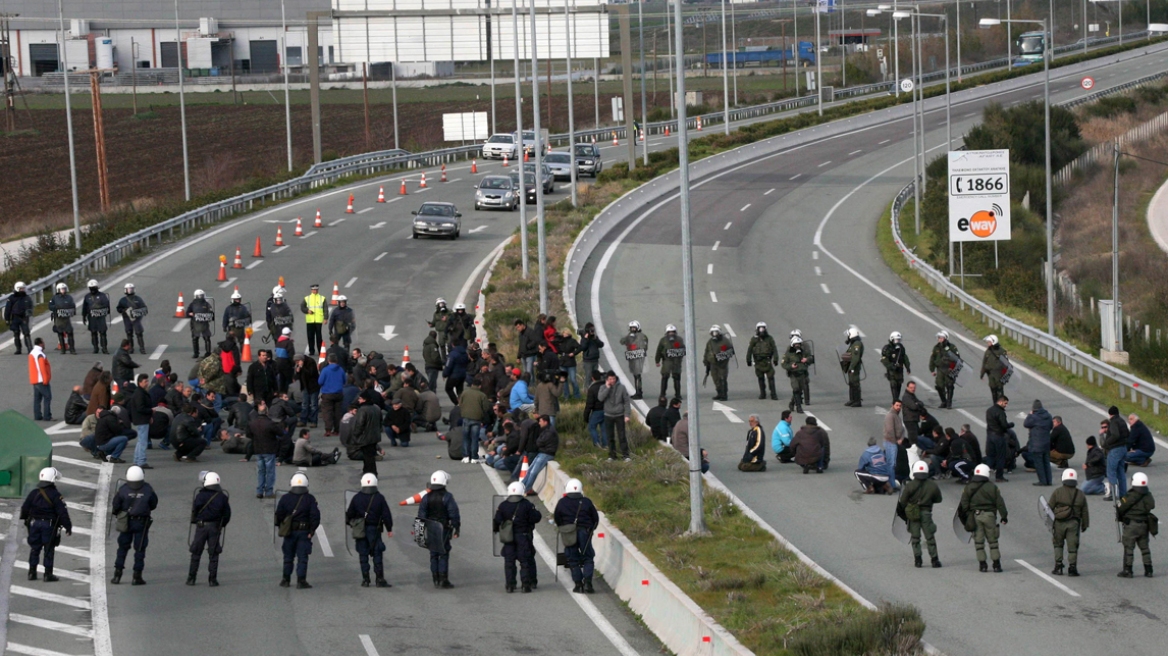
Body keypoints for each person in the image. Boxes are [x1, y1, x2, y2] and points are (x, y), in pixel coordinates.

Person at [20, 467, 73, 582]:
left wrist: (25, 520)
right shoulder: (55, 495)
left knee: (35, 548)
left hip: (34, 524)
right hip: (49, 526)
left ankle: (32, 572)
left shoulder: (34, 493)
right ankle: (47, 574)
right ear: (53, 479)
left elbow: (25, 508)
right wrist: (68, 527)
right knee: (49, 549)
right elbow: (62, 512)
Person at [111, 465, 158, 585]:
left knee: (122, 547)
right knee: (140, 549)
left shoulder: (123, 489)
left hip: (126, 522)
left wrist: (119, 513)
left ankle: (117, 575)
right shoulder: (148, 489)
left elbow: (116, 505)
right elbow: (153, 504)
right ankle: (137, 576)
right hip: (142, 522)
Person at [493, 481, 542, 593]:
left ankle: (510, 585)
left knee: (509, 561)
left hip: (508, 538)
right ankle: (526, 584)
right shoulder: (527, 505)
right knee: (524, 561)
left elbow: (497, 521)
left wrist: (498, 529)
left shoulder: (503, 505)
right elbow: (536, 518)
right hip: (523, 536)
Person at [958, 464, 1008, 573]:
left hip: (975, 516)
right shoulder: (992, 487)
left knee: (979, 542)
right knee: (993, 541)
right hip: (990, 516)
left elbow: (964, 503)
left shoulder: (969, 487)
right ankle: (996, 565)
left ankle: (982, 565)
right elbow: (1000, 503)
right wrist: (1004, 516)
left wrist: (967, 516)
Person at [347, 473, 393, 588]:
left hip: (360, 530)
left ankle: (365, 579)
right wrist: (389, 528)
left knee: (363, 554)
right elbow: (386, 514)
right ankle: (379, 579)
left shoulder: (356, 498)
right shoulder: (379, 498)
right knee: (377, 553)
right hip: (375, 529)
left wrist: (353, 524)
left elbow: (349, 515)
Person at [555, 478, 600, 594]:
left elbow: (557, 518)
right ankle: (588, 582)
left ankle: (578, 584)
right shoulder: (586, 502)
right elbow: (595, 519)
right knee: (588, 557)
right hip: (585, 532)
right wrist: (591, 530)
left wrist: (564, 528)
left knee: (572, 558)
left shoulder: (562, 502)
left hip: (569, 533)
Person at [275, 472, 321, 589]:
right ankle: (301, 581)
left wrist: (282, 527)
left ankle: (285, 579)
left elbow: (278, 515)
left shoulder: (285, 498)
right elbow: (315, 516)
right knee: (302, 557)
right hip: (304, 532)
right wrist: (311, 531)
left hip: (289, 532)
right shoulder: (310, 499)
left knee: (288, 556)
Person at [187, 472, 231, 587]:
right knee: (214, 553)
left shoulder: (200, 495)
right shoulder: (222, 497)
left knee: (196, 552)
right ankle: (212, 579)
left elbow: (195, 510)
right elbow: (227, 515)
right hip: (215, 527)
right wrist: (221, 525)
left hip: (201, 527)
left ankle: (191, 578)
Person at [418, 471, 460, 588]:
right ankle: (443, 579)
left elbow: (421, 516)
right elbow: (454, 513)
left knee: (433, 553)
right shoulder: (447, 497)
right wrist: (456, 527)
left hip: (431, 528)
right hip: (444, 528)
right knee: (444, 553)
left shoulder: (426, 497)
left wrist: (419, 533)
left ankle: (435, 578)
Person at [898, 461, 943, 568]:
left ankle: (918, 560)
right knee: (930, 537)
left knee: (915, 538)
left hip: (913, 514)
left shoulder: (910, 486)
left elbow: (903, 502)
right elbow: (938, 499)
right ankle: (934, 560)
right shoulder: (932, 485)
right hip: (926, 513)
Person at [1049, 469, 1088, 577]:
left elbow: (1049, 508)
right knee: (1073, 547)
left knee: (1058, 544)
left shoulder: (1057, 492)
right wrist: (1085, 525)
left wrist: (1050, 523)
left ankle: (1058, 566)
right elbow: (1084, 511)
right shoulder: (1080, 494)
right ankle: (1072, 568)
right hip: (1074, 523)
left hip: (1059, 523)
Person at [1116, 472, 1155, 578]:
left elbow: (1120, 507)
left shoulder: (1130, 495)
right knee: (1145, 548)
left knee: (1129, 548)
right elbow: (1152, 505)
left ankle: (1128, 570)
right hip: (1144, 524)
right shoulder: (1148, 495)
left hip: (1131, 525)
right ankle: (1149, 569)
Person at [249, 402, 282, 498]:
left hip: (258, 449)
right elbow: (280, 433)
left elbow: (249, 434)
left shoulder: (253, 423)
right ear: (267, 412)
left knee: (261, 471)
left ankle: (259, 490)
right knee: (270, 471)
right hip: (269, 449)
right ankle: (269, 491)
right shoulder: (270, 423)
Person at [598, 371, 632, 461]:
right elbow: (600, 398)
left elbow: (627, 401)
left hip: (619, 415)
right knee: (610, 436)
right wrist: (607, 388)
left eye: (613, 379)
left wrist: (627, 414)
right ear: (607, 380)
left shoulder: (622, 387)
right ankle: (612, 456)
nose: (612, 380)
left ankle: (626, 455)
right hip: (608, 415)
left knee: (622, 436)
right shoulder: (603, 387)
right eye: (610, 379)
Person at [523, 415, 559, 494]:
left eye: (540, 421)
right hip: (542, 452)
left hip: (547, 454)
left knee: (533, 472)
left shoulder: (550, 431)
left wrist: (538, 442)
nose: (539, 423)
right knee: (530, 470)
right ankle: (522, 485)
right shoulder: (545, 429)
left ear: (545, 422)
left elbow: (540, 442)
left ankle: (527, 489)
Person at [1024, 400, 1054, 486]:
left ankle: (1042, 481)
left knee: (1039, 463)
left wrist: (1030, 415)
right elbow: (1051, 426)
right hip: (1046, 443)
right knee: (1046, 462)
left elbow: (1026, 424)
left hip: (1037, 444)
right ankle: (1049, 480)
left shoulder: (1033, 417)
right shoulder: (1048, 416)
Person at [351, 393, 383, 475]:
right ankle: (367, 470)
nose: (358, 400)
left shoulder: (362, 410)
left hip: (365, 436)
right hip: (375, 435)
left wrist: (355, 435)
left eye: (360, 398)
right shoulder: (377, 408)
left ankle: (371, 472)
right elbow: (380, 421)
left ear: (364, 399)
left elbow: (359, 424)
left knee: (367, 456)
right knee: (370, 455)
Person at [747, 322, 780, 402]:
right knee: (760, 377)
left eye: (763, 328)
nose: (761, 330)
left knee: (771, 377)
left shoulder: (769, 338)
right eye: (760, 328)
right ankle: (762, 393)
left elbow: (774, 349)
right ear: (757, 329)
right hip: (758, 362)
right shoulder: (754, 339)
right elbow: (750, 350)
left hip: (767, 361)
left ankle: (773, 394)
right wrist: (748, 360)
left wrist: (775, 359)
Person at [1104, 406, 1130, 501]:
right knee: (1121, 473)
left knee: (1111, 472)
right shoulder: (1122, 421)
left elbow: (1115, 435)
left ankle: (1113, 494)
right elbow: (1127, 433)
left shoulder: (1113, 422)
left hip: (1115, 449)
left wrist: (1107, 443)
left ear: (1110, 414)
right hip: (1123, 448)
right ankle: (1123, 495)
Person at [928, 331, 960, 409]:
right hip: (940, 369)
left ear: (945, 338)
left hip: (949, 369)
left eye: (942, 338)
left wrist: (952, 368)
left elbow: (957, 359)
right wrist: (932, 370)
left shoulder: (952, 347)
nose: (940, 339)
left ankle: (949, 402)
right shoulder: (936, 348)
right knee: (939, 386)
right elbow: (932, 359)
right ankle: (943, 401)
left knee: (949, 385)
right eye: (939, 338)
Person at [985, 395, 1013, 482]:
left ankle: (984, 475)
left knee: (990, 456)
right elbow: (1004, 425)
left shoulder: (989, 410)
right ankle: (999, 476)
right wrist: (1011, 425)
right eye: (1005, 403)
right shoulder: (1000, 412)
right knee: (1001, 456)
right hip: (998, 436)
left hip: (990, 436)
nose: (1006, 405)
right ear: (1000, 402)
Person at [618, 320, 648, 400]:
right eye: (631, 328)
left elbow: (644, 346)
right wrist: (629, 336)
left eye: (634, 328)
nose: (633, 329)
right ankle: (637, 391)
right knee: (635, 375)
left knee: (637, 375)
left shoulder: (642, 336)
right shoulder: (630, 335)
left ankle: (639, 392)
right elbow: (622, 341)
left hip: (639, 358)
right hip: (632, 358)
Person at [654, 324, 686, 400]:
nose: (671, 334)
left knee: (677, 378)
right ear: (667, 333)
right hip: (667, 361)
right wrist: (657, 360)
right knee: (665, 377)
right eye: (669, 332)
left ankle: (678, 395)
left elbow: (683, 350)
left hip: (676, 362)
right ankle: (662, 394)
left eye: (673, 332)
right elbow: (659, 350)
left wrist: (680, 356)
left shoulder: (679, 340)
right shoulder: (663, 340)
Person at [703, 325, 734, 402]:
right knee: (716, 379)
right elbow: (707, 352)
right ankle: (719, 393)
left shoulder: (725, 341)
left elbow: (730, 352)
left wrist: (721, 357)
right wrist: (706, 362)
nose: (714, 334)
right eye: (713, 332)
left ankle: (724, 394)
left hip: (722, 364)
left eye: (716, 332)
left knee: (723, 378)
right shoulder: (710, 342)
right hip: (713, 364)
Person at [115, 283, 148, 354]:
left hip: (136, 319)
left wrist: (137, 312)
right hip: (127, 318)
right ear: (125, 290)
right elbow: (118, 309)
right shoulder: (123, 300)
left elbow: (144, 308)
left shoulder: (138, 299)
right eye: (128, 289)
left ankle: (142, 348)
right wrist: (124, 310)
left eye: (131, 289)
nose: (130, 291)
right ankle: (130, 348)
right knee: (129, 333)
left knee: (139, 333)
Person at [318, 353, 346, 436]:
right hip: (338, 393)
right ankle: (337, 430)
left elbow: (320, 381)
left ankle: (328, 429)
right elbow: (344, 381)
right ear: (336, 360)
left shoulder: (325, 370)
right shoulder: (341, 369)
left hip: (327, 393)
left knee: (327, 412)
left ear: (328, 360)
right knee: (338, 412)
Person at [82, 280, 112, 354]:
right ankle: (95, 348)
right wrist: (84, 316)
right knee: (93, 332)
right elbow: (85, 307)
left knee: (103, 332)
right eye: (91, 288)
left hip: (101, 317)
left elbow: (107, 305)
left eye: (94, 288)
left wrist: (103, 311)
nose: (92, 289)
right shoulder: (87, 296)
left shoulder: (102, 296)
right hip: (92, 317)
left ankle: (104, 348)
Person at [881, 331, 911, 404]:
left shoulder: (901, 348)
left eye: (899, 340)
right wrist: (891, 366)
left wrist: (907, 367)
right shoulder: (887, 348)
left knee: (899, 383)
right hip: (892, 369)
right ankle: (895, 399)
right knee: (893, 383)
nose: (898, 341)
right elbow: (884, 359)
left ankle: (897, 397)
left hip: (900, 368)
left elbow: (904, 357)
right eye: (896, 340)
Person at [5, 281, 34, 354]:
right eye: (21, 289)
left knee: (26, 333)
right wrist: (7, 319)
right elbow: (8, 309)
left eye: (23, 288)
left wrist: (29, 313)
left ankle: (30, 348)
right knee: (16, 333)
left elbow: (31, 306)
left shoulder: (27, 298)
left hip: (24, 318)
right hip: (15, 318)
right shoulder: (11, 298)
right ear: (17, 289)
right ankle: (18, 349)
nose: (22, 290)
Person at [28, 337, 53, 422]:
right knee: (47, 397)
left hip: (35, 379)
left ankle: (37, 415)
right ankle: (47, 416)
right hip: (41, 379)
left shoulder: (32, 352)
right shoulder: (40, 354)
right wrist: (45, 379)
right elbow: (41, 367)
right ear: (41, 344)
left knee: (37, 399)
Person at [48, 282, 78, 354]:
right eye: (62, 289)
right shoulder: (54, 298)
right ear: (58, 290)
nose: (63, 290)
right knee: (60, 333)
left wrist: (72, 311)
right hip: (58, 318)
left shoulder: (69, 297)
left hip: (66, 318)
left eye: (64, 289)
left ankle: (72, 349)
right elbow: (50, 306)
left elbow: (73, 305)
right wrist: (55, 308)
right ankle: (63, 349)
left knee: (70, 332)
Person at [301, 283, 328, 357]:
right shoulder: (307, 298)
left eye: (316, 290)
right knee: (310, 336)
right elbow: (302, 307)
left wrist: (325, 318)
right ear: (311, 290)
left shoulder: (322, 298)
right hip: (310, 320)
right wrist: (307, 311)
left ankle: (320, 350)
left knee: (319, 336)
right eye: (313, 290)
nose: (315, 291)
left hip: (319, 320)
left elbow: (325, 309)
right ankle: (311, 351)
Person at [980, 334, 1008, 403]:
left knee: (999, 389)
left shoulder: (1001, 351)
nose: (988, 343)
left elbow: (1006, 363)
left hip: (999, 374)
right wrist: (982, 374)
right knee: (993, 389)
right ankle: (995, 404)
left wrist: (1004, 374)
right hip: (990, 373)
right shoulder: (988, 351)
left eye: (989, 342)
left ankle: (1001, 404)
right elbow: (984, 362)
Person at [584, 369, 608, 448]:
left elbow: (589, 404)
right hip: (607, 410)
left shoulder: (592, 388)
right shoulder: (605, 386)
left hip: (597, 411)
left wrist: (586, 416)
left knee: (592, 426)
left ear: (592, 378)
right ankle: (606, 445)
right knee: (604, 428)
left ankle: (597, 443)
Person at [842, 326, 864, 407]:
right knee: (851, 383)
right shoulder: (853, 343)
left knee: (855, 383)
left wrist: (851, 368)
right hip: (851, 366)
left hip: (854, 367)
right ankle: (852, 399)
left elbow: (856, 358)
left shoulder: (857, 344)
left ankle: (857, 401)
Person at [443, 341, 469, 406]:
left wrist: (445, 374)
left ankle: (456, 403)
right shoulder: (464, 353)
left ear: (452, 345)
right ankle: (462, 402)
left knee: (448, 388)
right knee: (460, 390)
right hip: (463, 375)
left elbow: (448, 365)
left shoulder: (452, 354)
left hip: (454, 375)